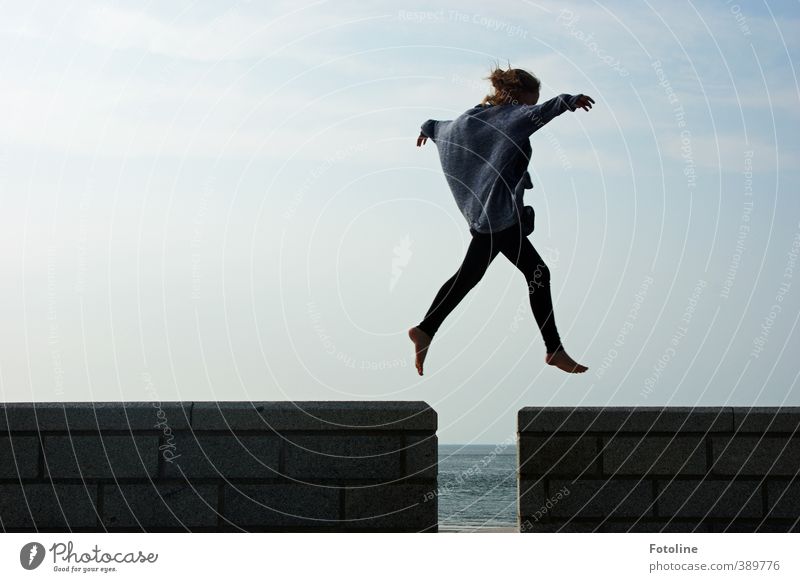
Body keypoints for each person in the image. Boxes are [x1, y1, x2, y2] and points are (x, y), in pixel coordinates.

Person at [408, 63, 594, 375]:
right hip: (499, 217)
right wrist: (568, 101)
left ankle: (426, 329)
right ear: (514, 96)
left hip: (484, 214)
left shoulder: (472, 119)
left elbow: (440, 126)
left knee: (469, 276)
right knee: (537, 272)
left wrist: (427, 129)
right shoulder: (512, 117)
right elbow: (543, 112)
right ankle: (554, 350)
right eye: (528, 102)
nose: (529, 110)